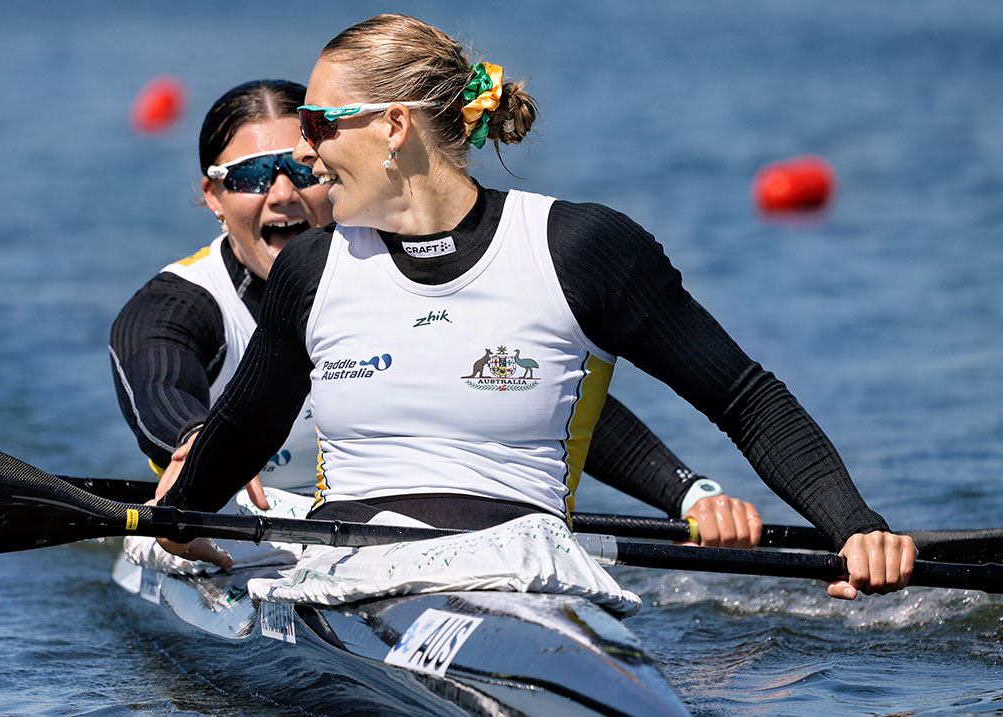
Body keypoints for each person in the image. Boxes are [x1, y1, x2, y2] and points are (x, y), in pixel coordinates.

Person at [115, 77, 771, 557]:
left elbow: (530, 389)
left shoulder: (383, 267)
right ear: (213, 196)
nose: (284, 193)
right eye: (255, 175)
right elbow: (160, 390)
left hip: (390, 540)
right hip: (223, 530)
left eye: (298, 167)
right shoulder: (175, 306)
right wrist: (199, 445)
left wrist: (687, 492)